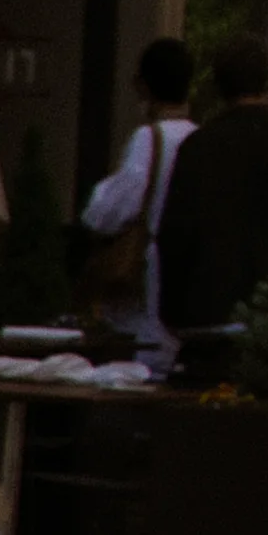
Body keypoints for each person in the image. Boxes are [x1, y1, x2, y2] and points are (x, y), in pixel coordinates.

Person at [150, 37, 268, 354]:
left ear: (217, 86)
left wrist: (171, 310)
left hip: (207, 316)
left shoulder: (199, 148)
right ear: (267, 83)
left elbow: (174, 236)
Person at [79, 38, 200, 368]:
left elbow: (107, 212)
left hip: (146, 286)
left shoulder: (150, 139)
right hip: (188, 285)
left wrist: (96, 202)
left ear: (144, 87)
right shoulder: (199, 139)